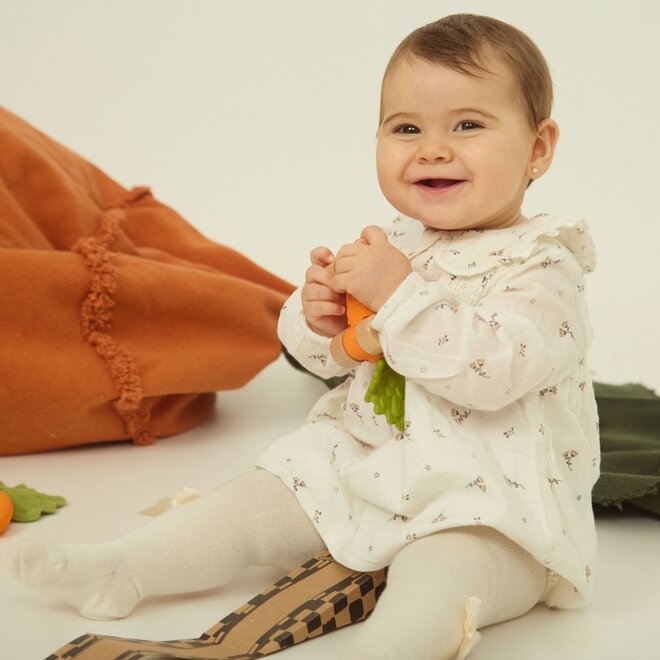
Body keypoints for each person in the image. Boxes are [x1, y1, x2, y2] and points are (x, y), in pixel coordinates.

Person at [10, 14, 598, 659]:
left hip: (492, 504)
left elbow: (498, 371)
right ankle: (123, 569)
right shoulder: (393, 245)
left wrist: (398, 295)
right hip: (369, 464)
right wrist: (315, 317)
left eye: (468, 125)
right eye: (407, 128)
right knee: (261, 496)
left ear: (538, 149)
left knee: (440, 577)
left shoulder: (543, 265)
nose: (432, 148)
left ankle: (390, 646)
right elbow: (341, 356)